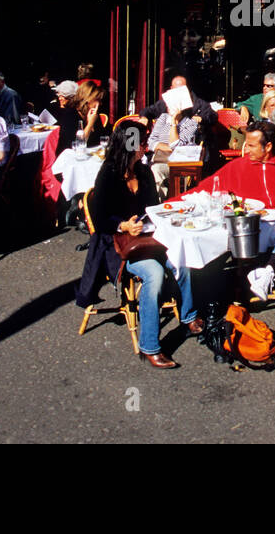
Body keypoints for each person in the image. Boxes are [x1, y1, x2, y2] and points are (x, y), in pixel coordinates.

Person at [180, 121, 275, 379]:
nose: (244, 149)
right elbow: (205, 188)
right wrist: (170, 205)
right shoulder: (237, 167)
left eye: (250, 145)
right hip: (251, 237)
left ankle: (270, 274)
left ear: (268, 146)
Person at [92, 121, 201, 368]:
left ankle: (189, 316)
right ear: (129, 144)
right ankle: (150, 346)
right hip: (119, 243)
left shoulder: (143, 171)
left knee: (182, 259)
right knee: (154, 274)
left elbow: (151, 207)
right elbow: (99, 218)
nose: (146, 146)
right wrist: (123, 225)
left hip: (147, 237)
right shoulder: (108, 173)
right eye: (142, 142)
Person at [137, 74, 215, 132]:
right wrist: (144, 117)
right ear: (171, 89)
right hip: (169, 140)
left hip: (194, 140)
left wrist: (201, 118)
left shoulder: (199, 104)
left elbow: (213, 116)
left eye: (182, 89)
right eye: (176, 90)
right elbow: (148, 110)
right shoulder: (164, 103)